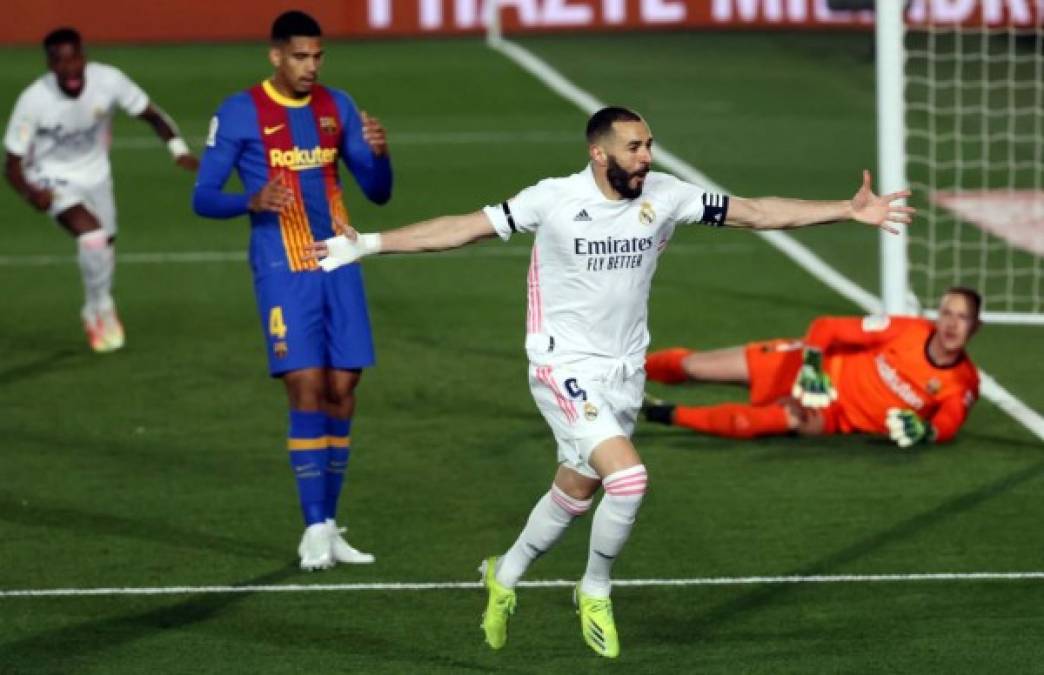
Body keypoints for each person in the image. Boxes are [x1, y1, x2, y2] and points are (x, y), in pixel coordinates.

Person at [307, 106, 913, 657]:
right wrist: (371, 245)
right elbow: (464, 227)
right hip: (561, 367)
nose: (647, 156)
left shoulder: (668, 196)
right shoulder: (553, 199)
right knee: (629, 478)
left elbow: (755, 212)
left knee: (577, 489)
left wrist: (845, 209)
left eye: (649, 144)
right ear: (600, 153)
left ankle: (505, 573)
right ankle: (594, 588)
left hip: (624, 373)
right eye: (634, 147)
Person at [191, 10, 392, 571]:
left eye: (317, 56)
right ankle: (312, 527)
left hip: (340, 259)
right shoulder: (239, 111)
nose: (311, 67)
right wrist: (248, 200)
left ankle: (329, 523)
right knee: (305, 385)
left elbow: (377, 193)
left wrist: (380, 153)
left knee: (343, 388)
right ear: (276, 56)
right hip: (282, 265)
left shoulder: (338, 106)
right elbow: (203, 196)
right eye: (300, 57)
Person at [3, 27, 199, 353]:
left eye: (74, 58)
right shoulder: (33, 101)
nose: (69, 67)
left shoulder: (108, 80)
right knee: (91, 237)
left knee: (104, 245)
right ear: (50, 65)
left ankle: (95, 304)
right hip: (51, 178)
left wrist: (178, 149)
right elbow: (11, 165)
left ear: (84, 56)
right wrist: (31, 193)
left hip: (97, 177)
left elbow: (152, 115)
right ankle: (100, 308)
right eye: (60, 61)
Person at [643, 288, 981, 447]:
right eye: (948, 314)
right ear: (938, 316)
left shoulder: (963, 382)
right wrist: (812, 366)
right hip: (803, 364)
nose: (952, 325)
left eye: (962, 318)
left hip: (832, 412)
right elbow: (827, 326)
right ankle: (628, 370)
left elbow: (948, 422)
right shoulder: (906, 329)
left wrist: (926, 432)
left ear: (974, 327)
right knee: (693, 366)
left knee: (774, 419)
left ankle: (659, 413)